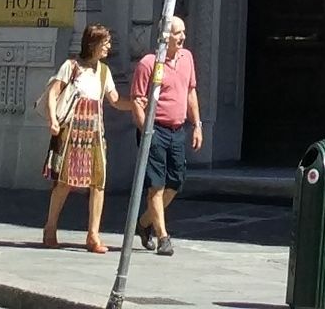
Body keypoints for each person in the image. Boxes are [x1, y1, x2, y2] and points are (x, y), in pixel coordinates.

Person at [38, 25, 118, 252]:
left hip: (95, 132)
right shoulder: (71, 66)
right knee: (64, 182)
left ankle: (93, 235)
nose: (109, 47)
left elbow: (114, 100)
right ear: (93, 44)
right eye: (105, 43)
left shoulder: (104, 72)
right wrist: (52, 120)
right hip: (72, 129)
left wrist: (136, 104)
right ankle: (50, 228)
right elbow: (53, 93)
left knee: (98, 182)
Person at [134, 14, 202, 256]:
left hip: (177, 130)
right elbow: (137, 101)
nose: (182, 37)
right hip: (156, 130)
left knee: (175, 183)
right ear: (165, 36)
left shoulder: (187, 58)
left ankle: (144, 223)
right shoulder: (148, 63)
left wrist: (197, 124)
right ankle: (163, 236)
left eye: (183, 32)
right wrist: (146, 131)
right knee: (156, 185)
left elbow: (191, 92)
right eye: (177, 33)